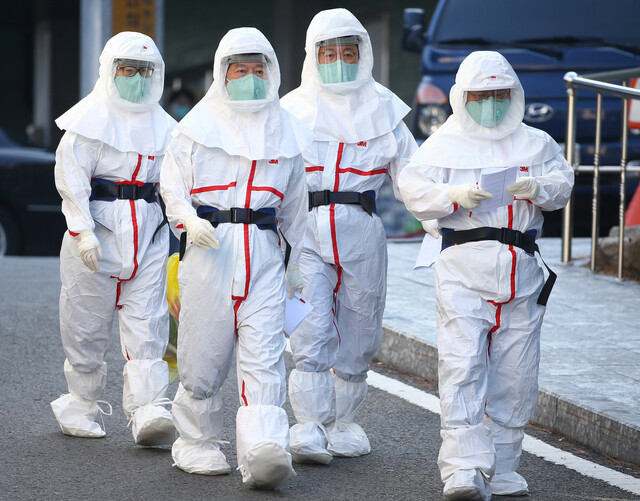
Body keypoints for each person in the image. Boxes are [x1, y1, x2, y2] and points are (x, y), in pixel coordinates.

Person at [398, 51, 574, 500]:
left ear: (513, 95)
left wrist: (538, 187)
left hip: (523, 270)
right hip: (463, 267)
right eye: (482, 95)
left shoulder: (536, 143)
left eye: (500, 95)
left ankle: (506, 465)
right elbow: (414, 191)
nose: (491, 104)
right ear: (463, 97)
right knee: (463, 366)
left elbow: (562, 182)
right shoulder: (441, 145)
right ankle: (462, 469)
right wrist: (453, 195)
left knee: (516, 370)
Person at [159, 28, 310, 488]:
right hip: (210, 253)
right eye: (239, 70)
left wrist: (297, 263)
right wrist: (189, 221)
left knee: (265, 355)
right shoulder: (193, 130)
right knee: (204, 353)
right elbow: (171, 186)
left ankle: (264, 447)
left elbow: (295, 206)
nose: (249, 78)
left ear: (272, 73)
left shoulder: (287, 133)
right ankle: (195, 441)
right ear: (222, 74)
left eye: (257, 69)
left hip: (264, 255)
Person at [280, 8, 418, 464]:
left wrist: (447, 208)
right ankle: (308, 425)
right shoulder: (290, 110)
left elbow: (414, 179)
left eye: (348, 51)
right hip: (306, 232)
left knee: (360, 330)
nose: (339, 60)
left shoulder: (386, 110)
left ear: (364, 53)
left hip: (363, 231)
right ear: (312, 56)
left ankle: (345, 422)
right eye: (328, 52)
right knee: (312, 328)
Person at [50, 32, 176, 446]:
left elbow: (177, 185)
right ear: (109, 71)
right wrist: (82, 231)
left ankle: (148, 410)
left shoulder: (169, 130)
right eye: (127, 70)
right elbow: (73, 183)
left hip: (150, 236)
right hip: (97, 237)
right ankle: (81, 404)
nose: (136, 78)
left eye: (144, 71)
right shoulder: (86, 124)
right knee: (85, 324)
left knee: (149, 322)